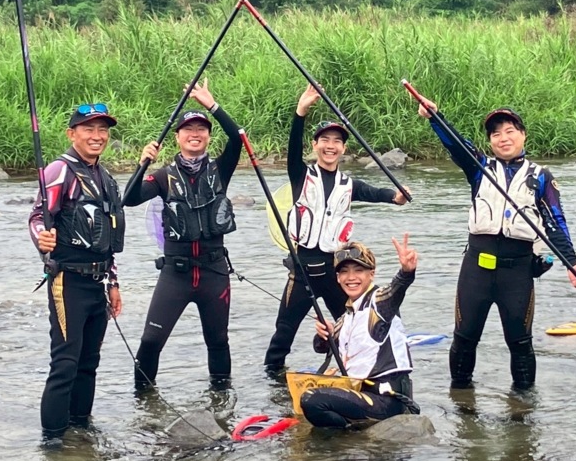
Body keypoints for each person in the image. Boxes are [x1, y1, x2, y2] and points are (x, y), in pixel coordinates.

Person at [414, 97, 576, 390]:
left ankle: (522, 411)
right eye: (495, 133)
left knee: (520, 342)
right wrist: (435, 117)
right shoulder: (479, 167)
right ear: (490, 141)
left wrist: (572, 264)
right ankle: (462, 404)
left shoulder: (541, 177)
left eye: (509, 130)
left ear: (523, 135)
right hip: (476, 270)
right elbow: (456, 144)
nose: (503, 138)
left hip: (518, 273)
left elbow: (555, 222)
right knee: (464, 337)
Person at [264, 84, 410, 373]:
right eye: (325, 141)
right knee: (284, 332)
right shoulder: (301, 175)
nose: (330, 146)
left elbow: (375, 192)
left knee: (351, 325)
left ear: (343, 148)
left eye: (336, 142)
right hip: (303, 270)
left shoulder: (348, 184)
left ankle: (353, 369)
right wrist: (301, 112)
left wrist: (396, 197)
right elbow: (293, 150)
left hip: (334, 272)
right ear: (316, 145)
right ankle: (274, 380)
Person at [124, 78, 241, 389]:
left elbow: (237, 137)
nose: (195, 134)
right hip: (175, 274)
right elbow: (129, 199)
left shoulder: (220, 169)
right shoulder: (162, 177)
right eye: (188, 130)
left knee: (218, 342)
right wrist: (142, 164)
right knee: (151, 340)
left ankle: (221, 403)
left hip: (214, 271)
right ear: (177, 137)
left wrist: (211, 105)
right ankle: (143, 402)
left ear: (207, 137)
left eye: (201, 130)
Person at [28, 102, 125, 440]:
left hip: (98, 283)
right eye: (89, 129)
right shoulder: (59, 170)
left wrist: (113, 283)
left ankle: (81, 428)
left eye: (103, 130)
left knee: (89, 362)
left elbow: (107, 240)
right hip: (67, 282)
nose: (97, 136)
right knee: (66, 364)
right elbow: (37, 217)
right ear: (72, 134)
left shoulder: (106, 177)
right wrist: (42, 239)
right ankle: (53, 441)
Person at [300, 234, 419, 428]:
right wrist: (325, 334)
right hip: (361, 394)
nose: (351, 277)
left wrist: (406, 272)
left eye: (359, 270)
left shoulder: (379, 303)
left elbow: (395, 292)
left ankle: (348, 433)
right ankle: (350, 436)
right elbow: (321, 347)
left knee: (312, 399)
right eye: (344, 272)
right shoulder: (346, 317)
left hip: (388, 400)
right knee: (303, 387)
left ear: (371, 274)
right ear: (337, 278)